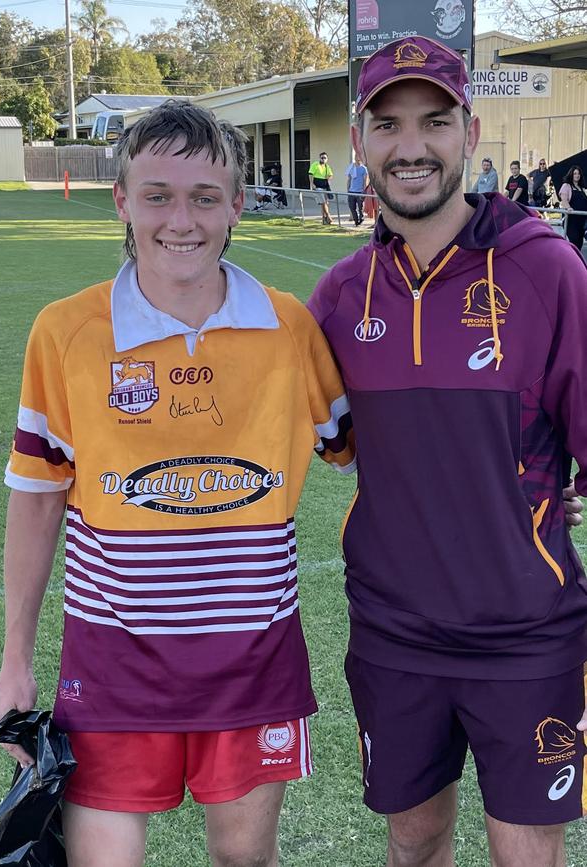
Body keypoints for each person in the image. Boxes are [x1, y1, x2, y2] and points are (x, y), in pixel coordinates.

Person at [0, 100, 355, 867]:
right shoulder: (65, 332)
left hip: (254, 663)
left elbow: (370, 456)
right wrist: (14, 660)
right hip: (112, 668)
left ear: (237, 205)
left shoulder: (290, 329)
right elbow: (36, 497)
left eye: (204, 197)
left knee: (245, 860)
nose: (180, 220)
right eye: (157, 195)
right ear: (121, 199)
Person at [307, 36, 587, 867]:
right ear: (361, 144)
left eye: (434, 121)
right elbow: (336, 446)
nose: (411, 146)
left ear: (470, 129)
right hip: (395, 632)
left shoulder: (548, 272)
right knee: (414, 837)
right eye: (387, 125)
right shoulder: (339, 297)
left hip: (528, 634)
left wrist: (525, 501)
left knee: (526, 850)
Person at [559, 164, 587, 250]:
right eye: (575, 173)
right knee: (573, 242)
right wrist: (568, 208)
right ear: (571, 175)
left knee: (579, 243)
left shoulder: (582, 188)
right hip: (571, 220)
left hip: (581, 221)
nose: (577, 175)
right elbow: (564, 199)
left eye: (578, 174)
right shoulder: (566, 186)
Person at [308, 151, 334, 224]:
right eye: (322, 158)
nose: (323, 159)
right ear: (319, 158)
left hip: (325, 186)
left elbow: (331, 175)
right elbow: (310, 174)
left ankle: (324, 219)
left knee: (325, 203)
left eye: (325, 158)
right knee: (323, 202)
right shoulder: (315, 165)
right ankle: (328, 216)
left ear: (327, 159)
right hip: (317, 187)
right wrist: (311, 184)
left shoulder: (327, 166)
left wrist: (328, 177)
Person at [346, 155, 370, 225]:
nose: (358, 159)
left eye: (359, 157)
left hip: (360, 191)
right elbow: (349, 179)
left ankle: (361, 218)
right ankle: (356, 221)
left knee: (360, 208)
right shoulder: (351, 167)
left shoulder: (364, 169)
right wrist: (348, 189)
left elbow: (365, 180)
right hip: (351, 191)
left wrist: (364, 190)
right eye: (357, 157)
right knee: (352, 207)